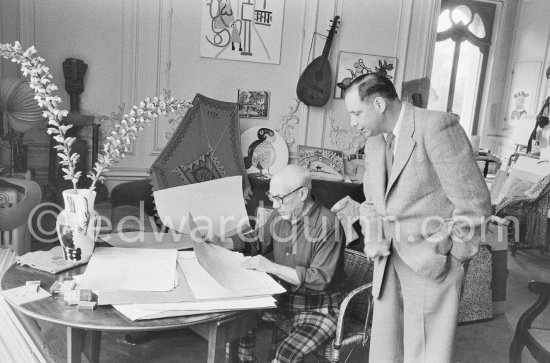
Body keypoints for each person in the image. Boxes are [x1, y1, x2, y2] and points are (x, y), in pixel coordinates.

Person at [343, 73, 491, 363]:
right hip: (387, 266)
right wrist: (373, 237)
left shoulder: (436, 126)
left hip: (431, 263)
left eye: (356, 113)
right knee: (388, 353)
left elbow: (475, 205)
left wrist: (452, 257)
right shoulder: (374, 143)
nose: (353, 122)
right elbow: (372, 202)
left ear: (379, 104)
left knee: (425, 355)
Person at [210, 165, 345, 363]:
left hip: (319, 308)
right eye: (272, 197)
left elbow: (319, 279)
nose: (274, 205)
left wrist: (271, 267)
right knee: (237, 324)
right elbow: (256, 241)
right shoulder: (280, 215)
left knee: (285, 353)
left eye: (279, 198)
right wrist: (223, 242)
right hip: (283, 299)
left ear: (302, 194)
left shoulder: (329, 224)